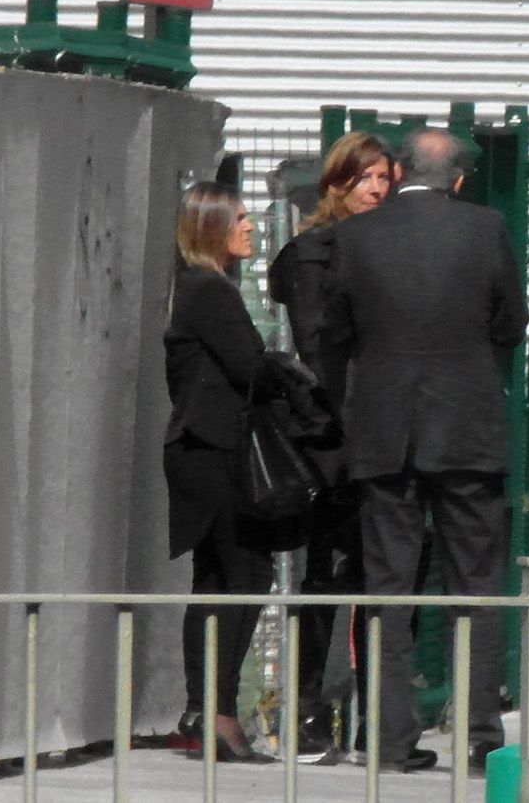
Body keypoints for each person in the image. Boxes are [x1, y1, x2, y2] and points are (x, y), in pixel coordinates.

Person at [325, 128, 528, 773]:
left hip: (385, 429)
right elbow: (511, 321)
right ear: (459, 180)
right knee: (477, 584)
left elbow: (335, 330)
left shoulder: (356, 235)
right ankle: (481, 734)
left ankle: (389, 738)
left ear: (398, 170)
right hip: (466, 427)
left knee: (387, 587)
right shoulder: (486, 228)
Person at [266, 131, 393, 759]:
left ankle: (378, 717)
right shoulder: (313, 253)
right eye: (365, 177)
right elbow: (320, 349)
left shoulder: (390, 246)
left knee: (381, 578)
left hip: (384, 434)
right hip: (333, 439)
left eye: (385, 178)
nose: (377, 189)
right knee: (326, 576)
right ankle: (311, 710)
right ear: (337, 183)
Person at [162, 182, 278, 764]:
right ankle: (217, 711)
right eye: (239, 218)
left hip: (202, 450)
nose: (250, 226)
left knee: (218, 579)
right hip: (216, 451)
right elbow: (251, 367)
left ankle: (206, 709)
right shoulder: (209, 290)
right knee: (243, 577)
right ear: (211, 228)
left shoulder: (199, 286)